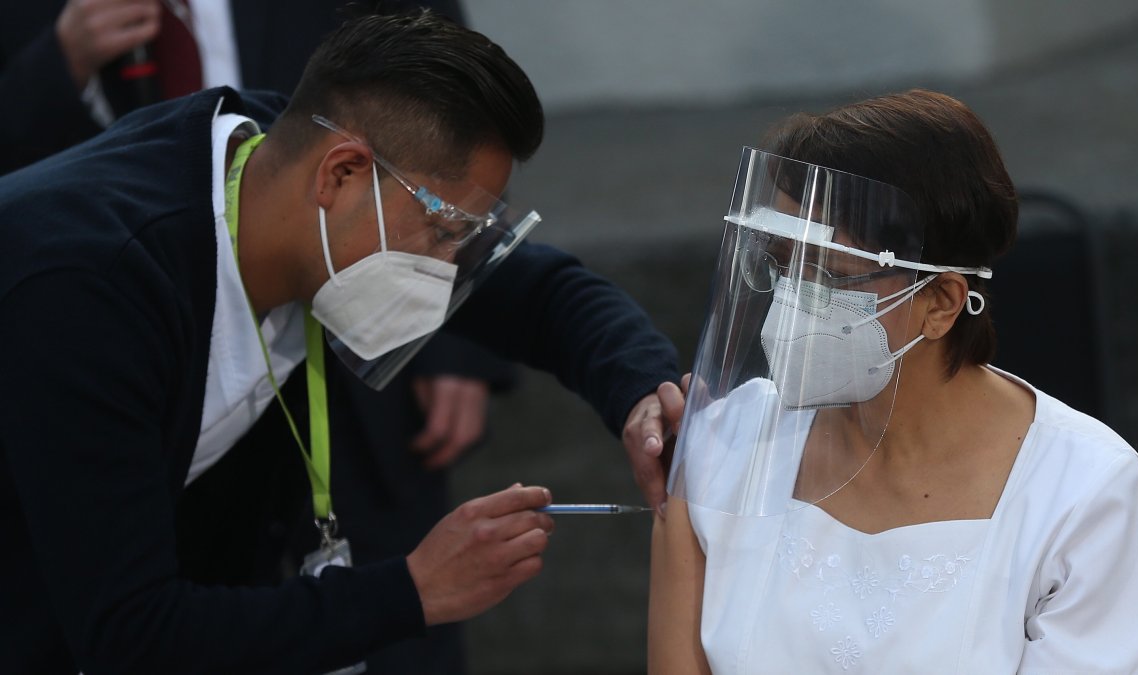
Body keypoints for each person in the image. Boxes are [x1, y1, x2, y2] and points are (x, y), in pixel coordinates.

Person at [0, 11, 678, 673]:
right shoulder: (89, 288)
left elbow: (546, 295)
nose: (449, 269)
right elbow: (132, 633)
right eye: (446, 231)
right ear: (341, 175)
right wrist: (411, 590)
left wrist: (643, 394)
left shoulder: (277, 171)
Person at [646, 90, 1138, 674]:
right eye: (781, 264)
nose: (789, 300)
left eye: (830, 276)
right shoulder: (724, 446)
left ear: (940, 302)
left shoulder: (1080, 487)